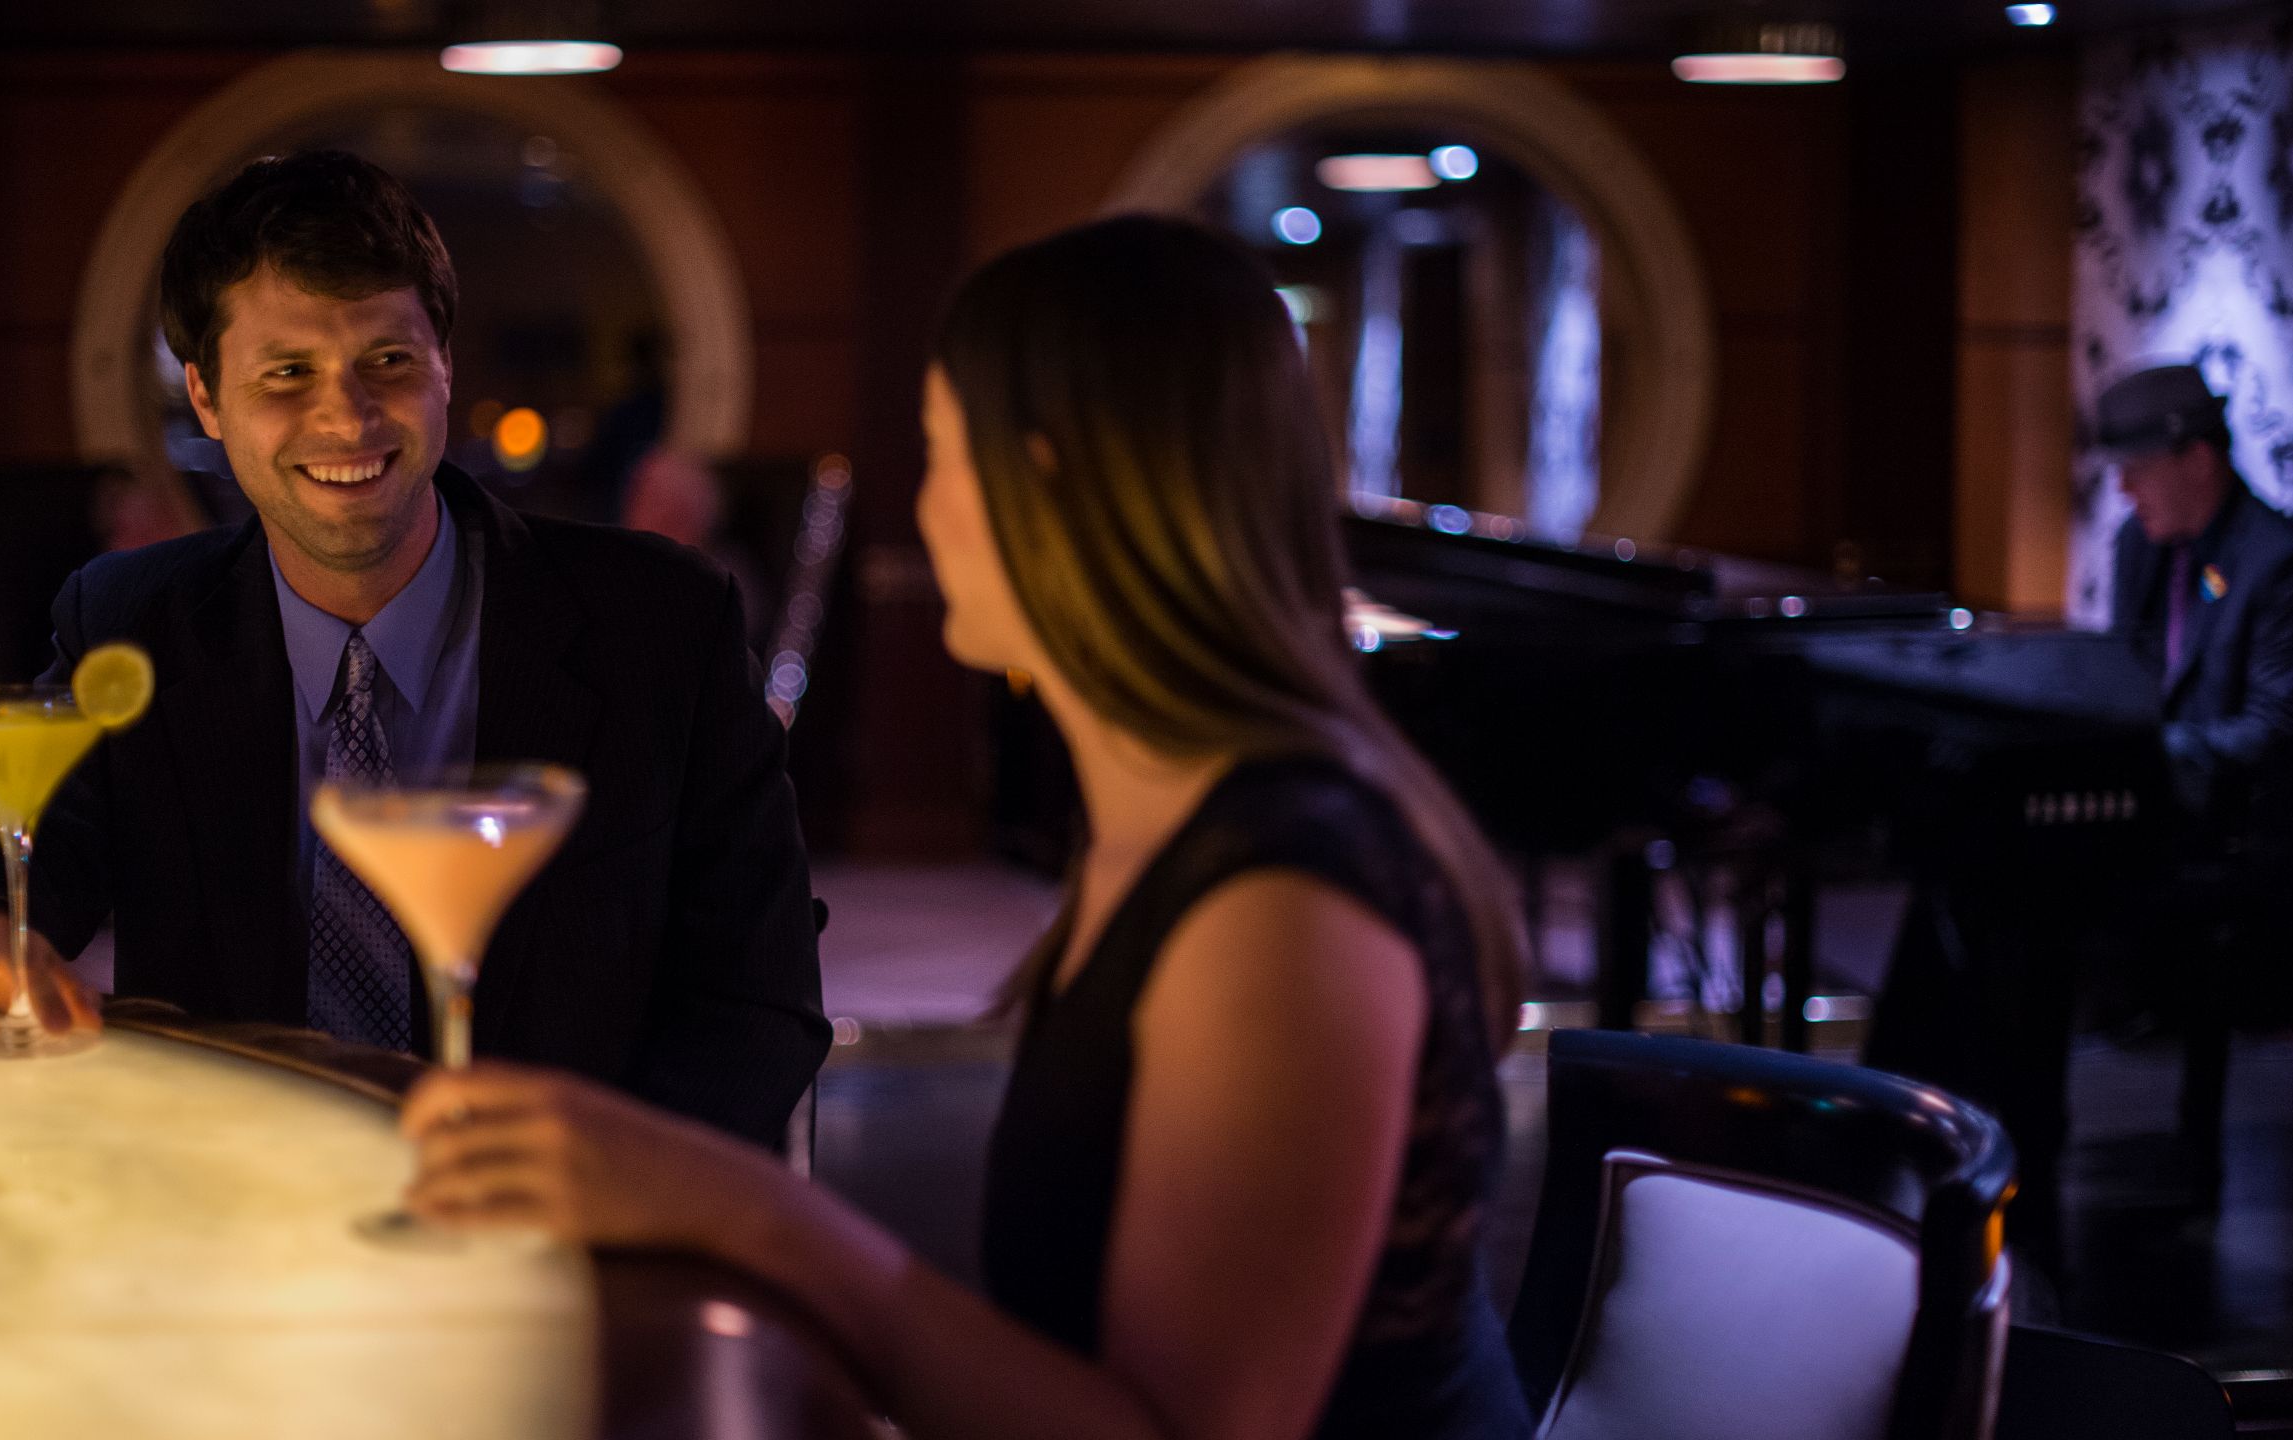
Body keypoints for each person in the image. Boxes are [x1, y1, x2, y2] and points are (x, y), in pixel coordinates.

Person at [393, 215, 1535, 1440]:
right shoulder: (1171, 826)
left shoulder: (1286, 904)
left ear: (1040, 483)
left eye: (937, 454)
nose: (924, 511)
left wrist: (747, 1210)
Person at [0, 151, 828, 1147]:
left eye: (387, 363)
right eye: (285, 374)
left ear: (445, 362)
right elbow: (12, 832)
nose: (345, 415)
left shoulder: (659, 622)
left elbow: (759, 1000)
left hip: (573, 1222)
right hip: (239, 1218)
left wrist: (610, 1188)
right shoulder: (134, 622)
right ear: (206, 397)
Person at [2100, 362, 2293, 1206]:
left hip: (2244, 840)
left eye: (2138, 468)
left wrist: (2150, 759)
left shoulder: (2281, 565)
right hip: (2160, 816)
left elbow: (2281, 732)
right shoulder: (2140, 548)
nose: (2123, 489)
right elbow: (2122, 684)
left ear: (2198, 462)